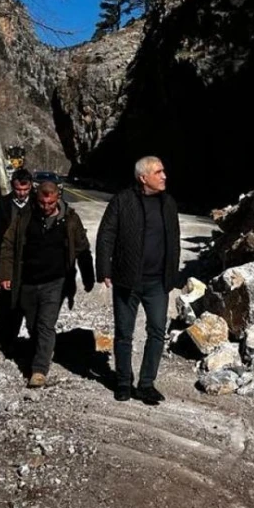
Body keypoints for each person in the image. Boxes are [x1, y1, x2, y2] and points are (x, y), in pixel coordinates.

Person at [96, 156, 180, 404]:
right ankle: (123, 382)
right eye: (158, 172)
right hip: (127, 279)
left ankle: (146, 384)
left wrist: (172, 274)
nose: (164, 176)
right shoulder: (123, 200)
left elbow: (173, 240)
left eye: (163, 171)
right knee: (124, 333)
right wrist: (104, 269)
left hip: (157, 283)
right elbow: (106, 234)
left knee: (156, 331)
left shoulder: (168, 203)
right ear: (143, 177)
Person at [0, 181, 95, 388]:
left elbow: (82, 248)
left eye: (50, 203)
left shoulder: (70, 219)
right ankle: (36, 353)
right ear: (37, 199)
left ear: (58, 198)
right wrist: (6, 274)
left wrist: (89, 277)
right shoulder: (25, 217)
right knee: (33, 325)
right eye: (43, 203)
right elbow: (8, 245)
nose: (46, 207)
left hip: (56, 281)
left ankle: (39, 370)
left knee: (45, 324)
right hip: (28, 280)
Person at [0, 169, 33, 354]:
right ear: (13, 186)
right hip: (4, 259)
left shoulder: (38, 204)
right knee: (7, 299)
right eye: (18, 189)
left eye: (25, 189)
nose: (22, 193)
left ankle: (34, 340)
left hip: (30, 260)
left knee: (28, 298)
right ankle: (6, 337)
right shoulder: (0, 204)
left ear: (30, 186)